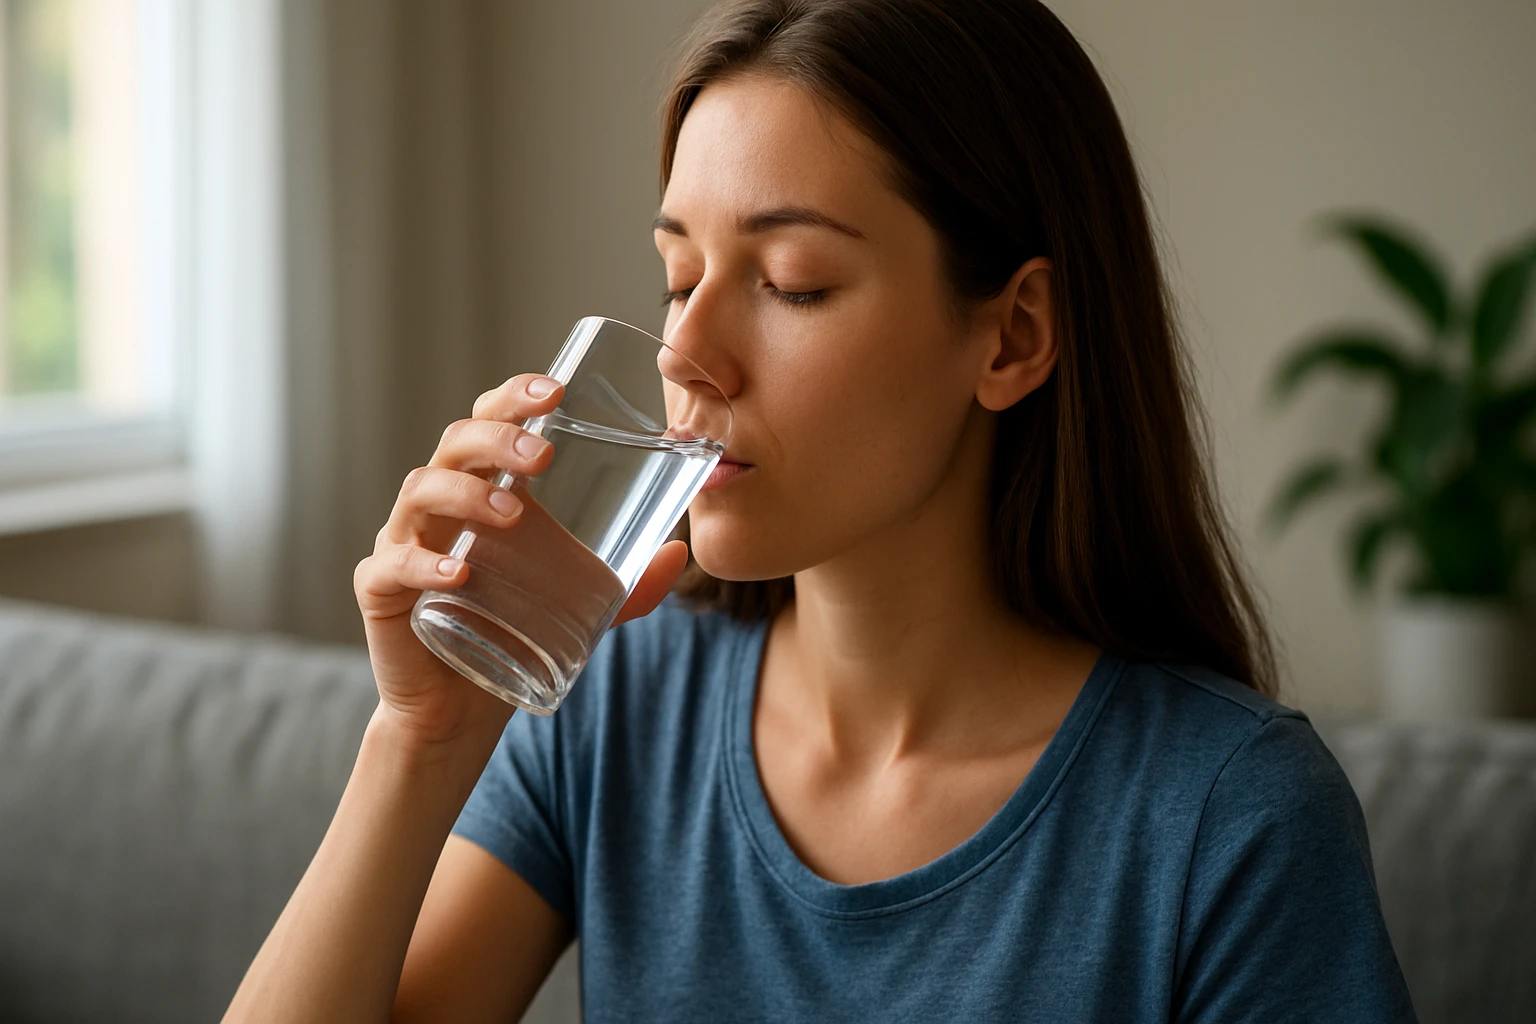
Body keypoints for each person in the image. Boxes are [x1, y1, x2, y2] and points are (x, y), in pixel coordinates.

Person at [225, 1, 1417, 1021]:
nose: (686, 353)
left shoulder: (1232, 818)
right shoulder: (615, 706)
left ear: (1012, 336)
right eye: (677, 277)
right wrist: (418, 744)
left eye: (792, 283)